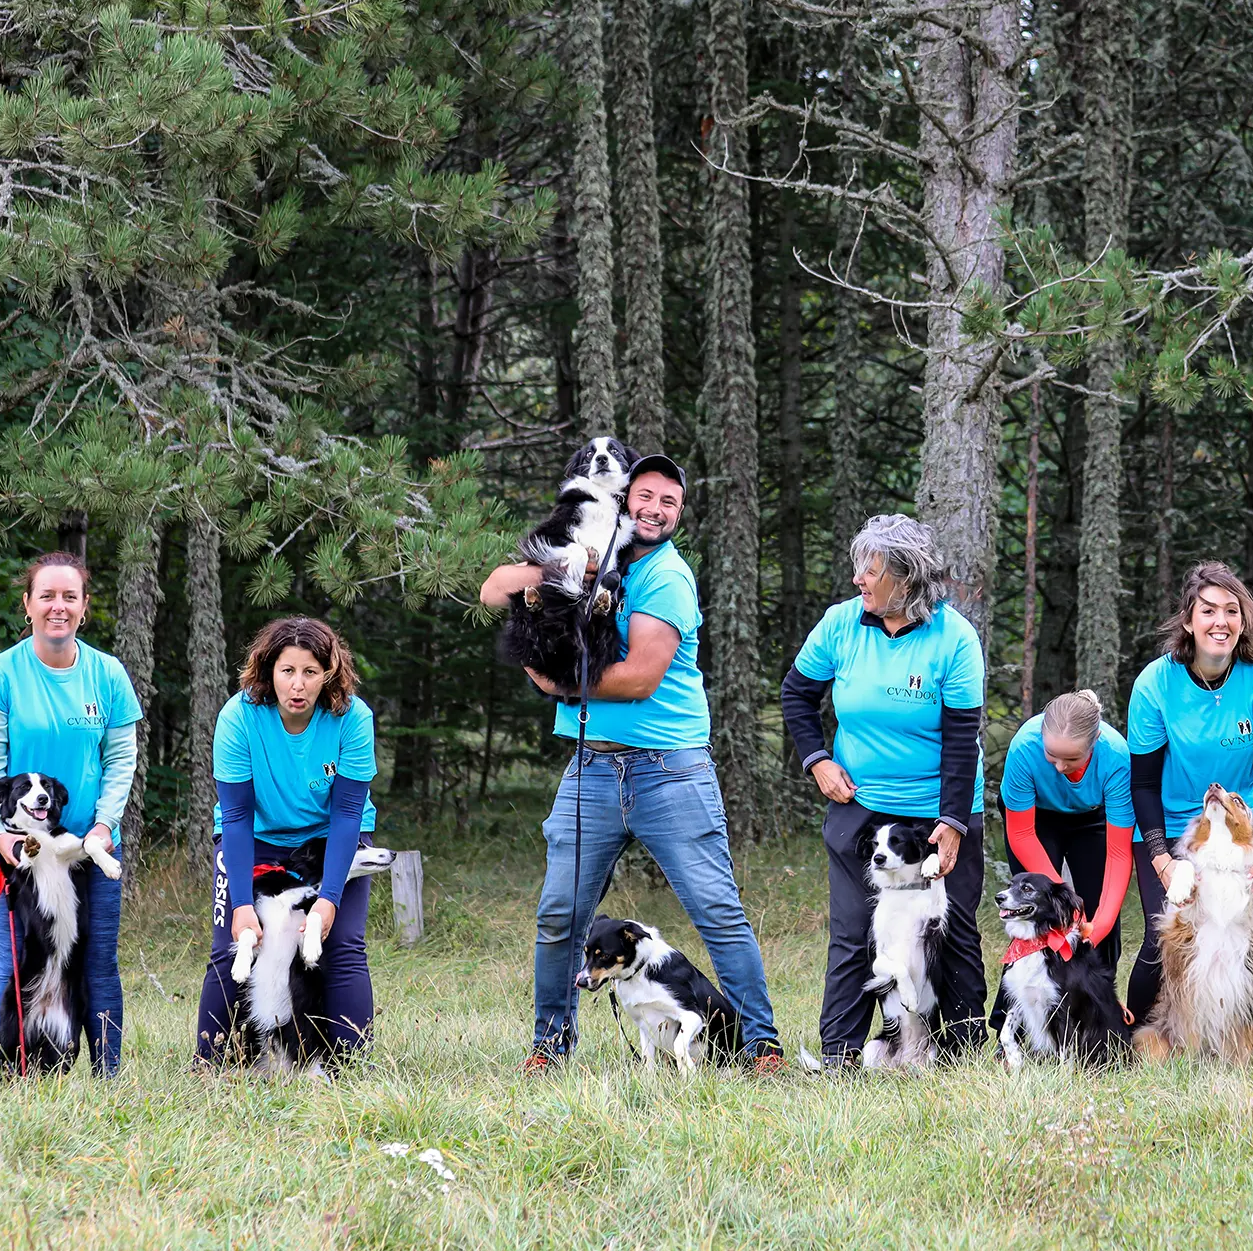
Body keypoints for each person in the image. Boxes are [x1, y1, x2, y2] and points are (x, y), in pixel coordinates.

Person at [482, 454, 782, 1071]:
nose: (653, 509)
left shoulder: (667, 577)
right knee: (560, 913)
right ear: (621, 499)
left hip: (669, 771)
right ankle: (549, 1045)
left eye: (669, 502)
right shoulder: (589, 557)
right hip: (592, 769)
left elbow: (640, 678)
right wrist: (556, 568)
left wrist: (557, 685)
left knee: (716, 911)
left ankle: (762, 1045)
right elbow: (492, 589)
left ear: (678, 515)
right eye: (643, 496)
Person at [781, 513, 989, 1064]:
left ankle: (960, 1054)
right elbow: (796, 695)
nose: (859, 581)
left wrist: (952, 822)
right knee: (854, 934)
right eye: (859, 569)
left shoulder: (955, 638)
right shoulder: (841, 625)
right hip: (861, 808)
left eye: (870, 571)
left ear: (906, 577)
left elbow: (963, 736)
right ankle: (842, 1056)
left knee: (954, 932)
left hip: (939, 811)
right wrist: (817, 760)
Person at [0, 551, 141, 1075]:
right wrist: (0, 838)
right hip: (19, 851)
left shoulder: (108, 674)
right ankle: (15, 1072)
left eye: (70, 596)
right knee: (17, 964)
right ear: (28, 605)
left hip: (89, 847)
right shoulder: (0, 674)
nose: (58, 607)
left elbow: (121, 759)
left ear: (85, 607)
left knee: (97, 965)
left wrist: (105, 825)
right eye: (47, 595)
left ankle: (108, 1076)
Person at [193, 617, 380, 1068]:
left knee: (343, 946)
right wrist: (241, 904)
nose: (298, 685)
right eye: (287, 671)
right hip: (253, 839)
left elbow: (348, 814)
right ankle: (209, 1065)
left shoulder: (353, 717)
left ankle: (350, 1069)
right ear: (268, 671)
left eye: (311, 672)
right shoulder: (238, 717)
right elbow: (235, 816)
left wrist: (330, 898)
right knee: (232, 946)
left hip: (331, 838)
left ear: (328, 675)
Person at [1125, 561, 1253, 1051]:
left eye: (1231, 611)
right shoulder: (1156, 683)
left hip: (1242, 828)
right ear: (1188, 620)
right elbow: (1143, 785)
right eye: (1208, 611)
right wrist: (1162, 859)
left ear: (1244, 620)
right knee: (1165, 945)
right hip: (1174, 824)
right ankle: (1140, 1042)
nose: (1220, 621)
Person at [998, 690, 1135, 969]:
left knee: (1098, 913)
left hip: (1091, 817)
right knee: (1039, 908)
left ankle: (1100, 1003)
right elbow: (1022, 834)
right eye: (1051, 755)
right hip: (1035, 819)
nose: (1060, 767)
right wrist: (1066, 904)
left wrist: (1099, 925)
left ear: (1094, 743)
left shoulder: (1115, 755)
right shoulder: (1025, 746)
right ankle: (1013, 1009)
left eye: (1071, 759)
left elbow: (1119, 853)